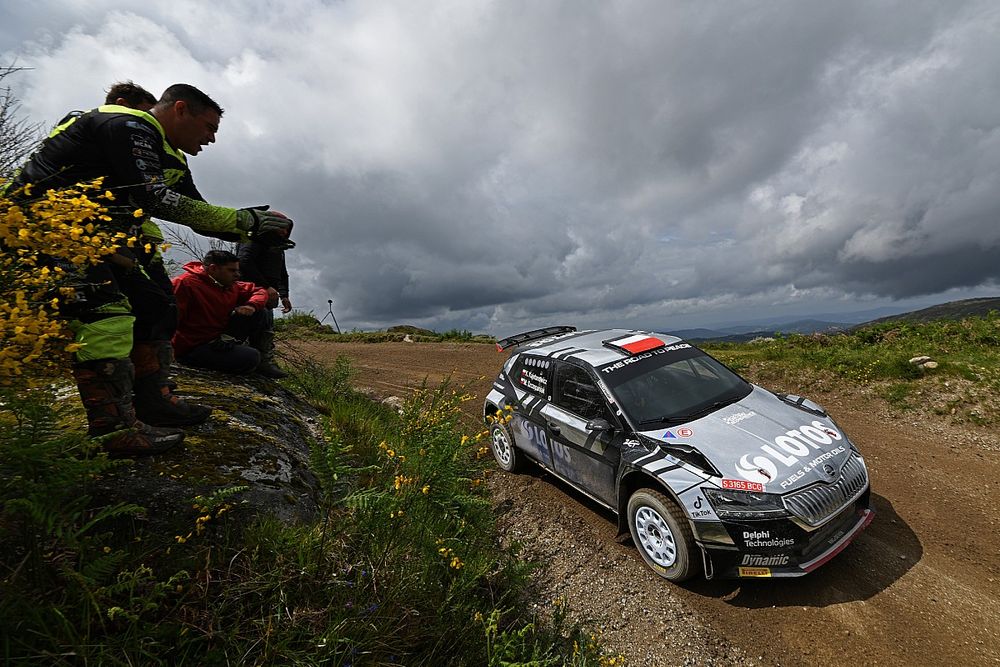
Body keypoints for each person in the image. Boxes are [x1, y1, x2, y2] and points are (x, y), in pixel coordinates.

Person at [11, 83, 293, 455]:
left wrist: (254, 227)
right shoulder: (128, 124)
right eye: (209, 127)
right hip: (49, 227)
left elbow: (196, 213)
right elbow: (153, 196)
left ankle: (154, 402)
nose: (211, 139)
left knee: (159, 306)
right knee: (106, 317)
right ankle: (113, 431)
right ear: (180, 109)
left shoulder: (169, 154)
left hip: (107, 234)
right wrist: (243, 221)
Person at [171, 250, 276, 375]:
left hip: (218, 340)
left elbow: (259, 291)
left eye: (237, 271)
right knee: (251, 357)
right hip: (191, 347)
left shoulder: (228, 285)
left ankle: (260, 359)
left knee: (261, 311)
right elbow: (169, 320)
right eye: (232, 270)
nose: (237, 275)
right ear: (213, 268)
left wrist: (251, 305)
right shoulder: (185, 283)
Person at [235, 229, 295, 378]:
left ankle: (262, 362)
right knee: (249, 325)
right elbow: (244, 261)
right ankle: (250, 361)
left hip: (268, 293)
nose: (284, 232)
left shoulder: (277, 245)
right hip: (250, 290)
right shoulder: (253, 240)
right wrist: (265, 286)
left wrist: (284, 295)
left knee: (266, 329)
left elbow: (281, 271)